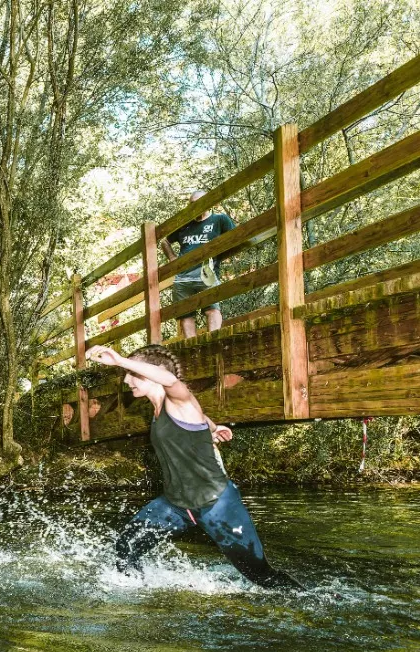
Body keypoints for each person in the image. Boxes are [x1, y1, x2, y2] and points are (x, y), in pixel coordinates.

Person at [88, 343, 294, 589]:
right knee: (124, 549)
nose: (126, 380)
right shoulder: (161, 409)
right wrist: (214, 427)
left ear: (152, 373)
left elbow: (170, 381)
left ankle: (313, 604)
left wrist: (120, 360)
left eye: (133, 374)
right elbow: (197, 417)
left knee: (261, 576)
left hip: (216, 505)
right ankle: (136, 598)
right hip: (175, 505)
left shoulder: (177, 398)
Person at [167, 193, 236, 339]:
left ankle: (213, 343)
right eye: (191, 203)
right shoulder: (183, 224)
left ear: (208, 203)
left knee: (212, 309)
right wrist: (172, 257)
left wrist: (221, 251)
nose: (195, 206)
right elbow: (164, 241)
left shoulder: (219, 219)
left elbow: (236, 236)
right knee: (185, 315)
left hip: (207, 272)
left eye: (198, 202)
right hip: (182, 277)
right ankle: (192, 349)